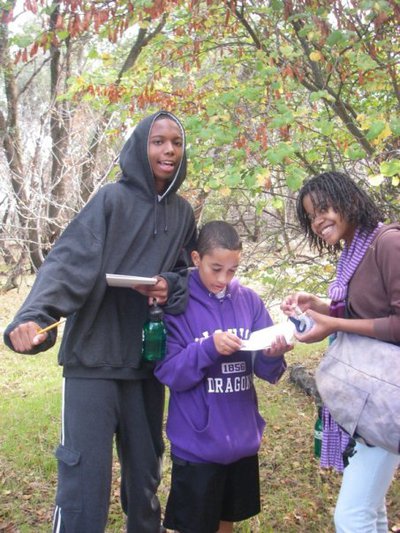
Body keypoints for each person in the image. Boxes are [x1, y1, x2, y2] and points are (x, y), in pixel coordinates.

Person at [3, 111, 197, 532]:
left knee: (145, 478)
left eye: (176, 143)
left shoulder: (183, 213)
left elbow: (188, 275)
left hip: (148, 362)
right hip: (92, 359)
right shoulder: (111, 200)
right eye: (158, 141)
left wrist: (169, 286)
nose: (168, 150)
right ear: (139, 148)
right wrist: (33, 318)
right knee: (83, 478)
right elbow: (68, 262)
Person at [280, 171, 400, 533]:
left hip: (388, 399)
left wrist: (335, 324)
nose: (319, 221)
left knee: (351, 516)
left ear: (349, 201)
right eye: (311, 215)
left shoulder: (387, 242)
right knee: (370, 509)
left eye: (325, 209)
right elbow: (362, 310)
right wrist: (319, 304)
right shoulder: (355, 251)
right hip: (368, 397)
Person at [154, 220, 291, 533]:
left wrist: (272, 354)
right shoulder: (178, 304)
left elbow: (267, 370)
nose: (223, 279)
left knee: (225, 521)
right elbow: (169, 372)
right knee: (196, 526)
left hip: (241, 440)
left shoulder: (249, 300)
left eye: (232, 270)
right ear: (196, 258)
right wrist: (208, 348)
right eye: (216, 268)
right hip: (198, 445)